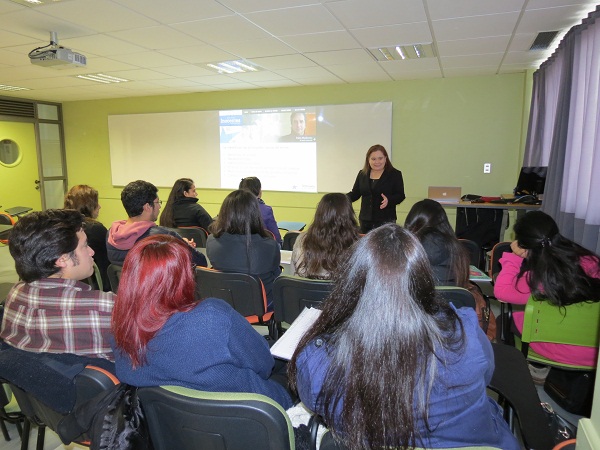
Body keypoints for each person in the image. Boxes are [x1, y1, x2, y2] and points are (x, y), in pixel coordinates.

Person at [288, 224, 519, 450]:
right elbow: (486, 376)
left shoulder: (318, 362)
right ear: (424, 280)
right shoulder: (466, 333)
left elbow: (312, 399)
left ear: (352, 283)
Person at [112, 234, 292, 408]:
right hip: (258, 410)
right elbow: (264, 365)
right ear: (183, 278)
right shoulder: (211, 316)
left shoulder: (120, 328)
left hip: (175, 429)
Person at [0, 209, 114, 361]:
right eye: (85, 246)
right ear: (62, 259)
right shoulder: (105, 307)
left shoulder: (15, 294)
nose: (91, 252)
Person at [494, 210, 600, 369]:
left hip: (559, 351)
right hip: (594, 352)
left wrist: (514, 257)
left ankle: (524, 370)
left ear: (524, 244)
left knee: (504, 319)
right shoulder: (592, 261)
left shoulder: (534, 280)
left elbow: (501, 291)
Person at [405, 199, 496, 340]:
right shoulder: (459, 250)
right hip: (453, 329)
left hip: (412, 330)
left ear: (411, 222)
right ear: (443, 222)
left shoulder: (405, 250)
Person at [207, 190, 281, 310]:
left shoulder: (211, 241)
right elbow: (275, 275)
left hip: (225, 301)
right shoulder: (270, 245)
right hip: (260, 306)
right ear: (255, 214)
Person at [106, 180, 207, 267]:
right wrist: (182, 245)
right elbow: (201, 262)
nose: (159, 206)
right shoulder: (162, 236)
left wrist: (179, 243)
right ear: (147, 207)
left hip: (126, 289)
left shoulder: (111, 234)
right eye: (157, 202)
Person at [290, 193, 360, 279]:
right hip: (339, 292)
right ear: (349, 215)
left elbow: (293, 276)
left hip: (305, 291)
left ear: (319, 214)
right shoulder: (358, 245)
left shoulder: (302, 240)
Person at [347, 144, 405, 233]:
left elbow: (400, 195)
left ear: (386, 158)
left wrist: (389, 200)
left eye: (380, 158)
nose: (377, 162)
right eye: (373, 159)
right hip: (365, 221)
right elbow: (355, 194)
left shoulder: (395, 174)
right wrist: (340, 199)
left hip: (386, 221)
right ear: (368, 160)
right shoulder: (362, 174)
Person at [64, 184, 110, 292]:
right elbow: (106, 263)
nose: (99, 206)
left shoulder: (62, 226)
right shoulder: (95, 229)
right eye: (96, 203)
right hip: (98, 286)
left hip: (69, 285)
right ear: (88, 205)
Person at [239, 176, 282, 246]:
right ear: (259, 191)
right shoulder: (266, 210)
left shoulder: (233, 208)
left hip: (238, 246)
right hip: (261, 247)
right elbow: (275, 236)